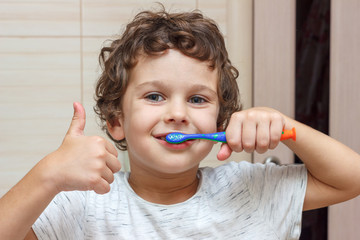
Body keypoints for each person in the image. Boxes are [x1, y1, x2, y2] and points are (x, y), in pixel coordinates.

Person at [1, 6, 360, 240]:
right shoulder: (82, 205)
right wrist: (48, 174)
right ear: (116, 122)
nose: (178, 113)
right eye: (154, 96)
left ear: (221, 122)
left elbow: (350, 177)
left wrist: (285, 128)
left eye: (197, 99)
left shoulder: (250, 189)